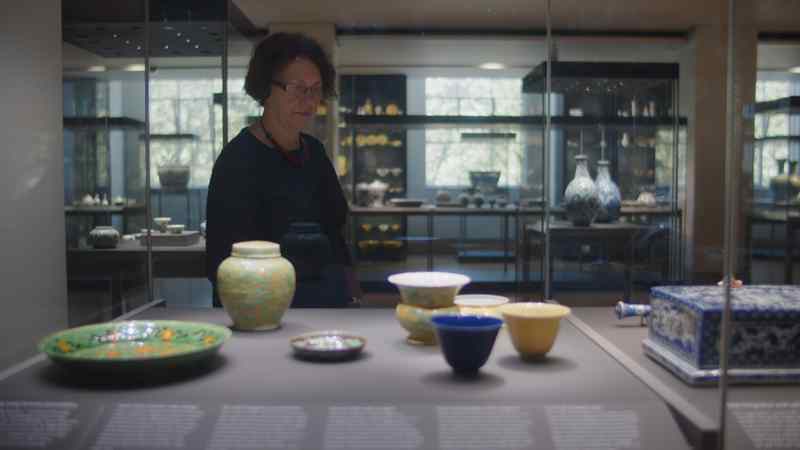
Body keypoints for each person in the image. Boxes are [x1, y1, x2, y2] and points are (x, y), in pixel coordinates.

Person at [206, 32, 356, 308]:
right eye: (297, 88)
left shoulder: (314, 151)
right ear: (266, 89)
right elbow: (223, 260)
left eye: (315, 88)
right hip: (263, 307)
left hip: (324, 302)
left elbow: (335, 231)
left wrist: (349, 289)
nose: (309, 100)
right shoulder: (238, 160)